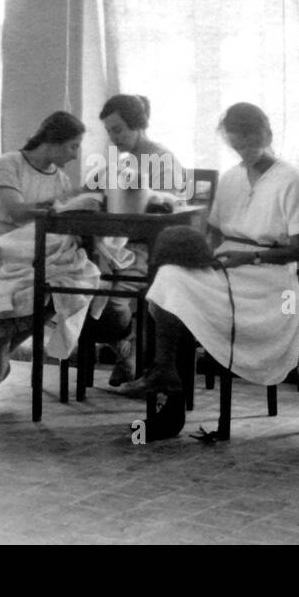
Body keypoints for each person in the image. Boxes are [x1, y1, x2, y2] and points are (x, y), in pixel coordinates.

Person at [119, 103, 299, 440]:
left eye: (250, 144)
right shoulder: (231, 177)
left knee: (178, 296)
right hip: (226, 266)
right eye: (237, 146)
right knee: (170, 278)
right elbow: (214, 231)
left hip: (269, 281)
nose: (245, 153)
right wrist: (202, 256)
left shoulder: (290, 179)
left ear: (267, 134)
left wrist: (250, 257)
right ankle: (166, 375)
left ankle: (170, 401)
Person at [0, 111, 95, 404]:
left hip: (36, 247)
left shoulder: (62, 179)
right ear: (53, 142)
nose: (75, 154)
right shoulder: (9, 164)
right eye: (73, 146)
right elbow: (17, 212)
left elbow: (61, 221)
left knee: (71, 283)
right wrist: (58, 206)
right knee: (0, 287)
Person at [85, 94, 187, 386]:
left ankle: (134, 353)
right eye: (109, 132)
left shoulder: (162, 160)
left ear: (138, 124)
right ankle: (126, 348)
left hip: (155, 250)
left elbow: (165, 215)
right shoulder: (123, 161)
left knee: (106, 296)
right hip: (124, 245)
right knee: (82, 283)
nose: (113, 138)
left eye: (118, 130)